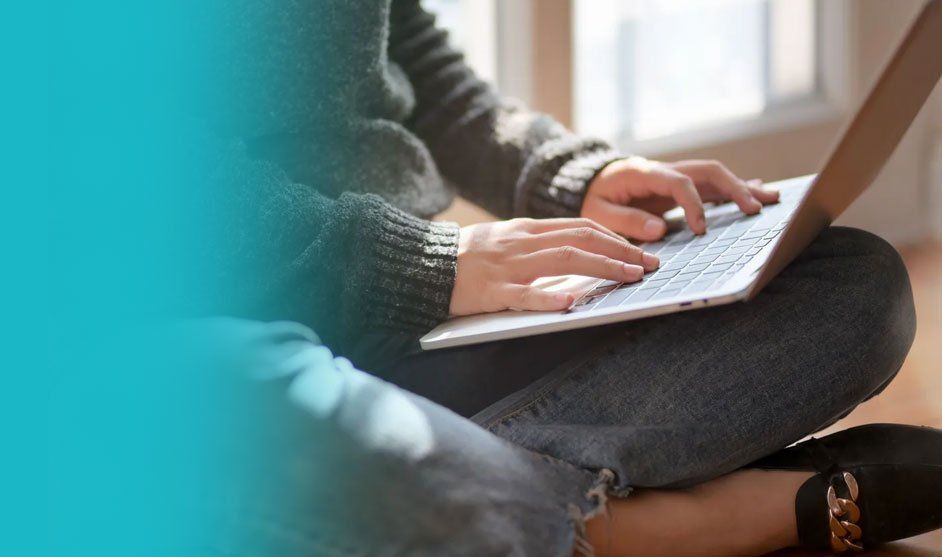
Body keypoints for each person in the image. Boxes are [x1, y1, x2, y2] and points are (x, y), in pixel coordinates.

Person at [200, 1, 941, 555]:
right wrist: (422, 264)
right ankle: (665, 525)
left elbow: (411, 59)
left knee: (854, 283)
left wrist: (568, 176)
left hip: (416, 308)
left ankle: (488, 497)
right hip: (253, 326)